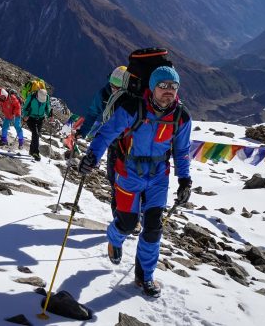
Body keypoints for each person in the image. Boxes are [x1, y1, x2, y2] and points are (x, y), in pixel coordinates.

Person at [77, 66, 192, 298]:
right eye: (163, 86)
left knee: (152, 229)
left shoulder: (181, 117)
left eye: (173, 86)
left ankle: (144, 277)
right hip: (129, 173)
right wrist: (92, 156)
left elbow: (182, 151)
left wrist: (185, 180)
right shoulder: (133, 108)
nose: (169, 91)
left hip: (159, 177)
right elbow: (107, 133)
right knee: (127, 223)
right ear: (153, 87)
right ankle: (114, 239)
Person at [22, 88, 51, 161]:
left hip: (40, 119)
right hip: (31, 118)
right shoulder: (31, 97)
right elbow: (25, 108)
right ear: (37, 95)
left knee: (35, 135)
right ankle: (36, 153)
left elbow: (47, 108)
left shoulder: (46, 97)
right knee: (36, 134)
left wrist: (50, 115)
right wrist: (25, 115)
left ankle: (31, 151)